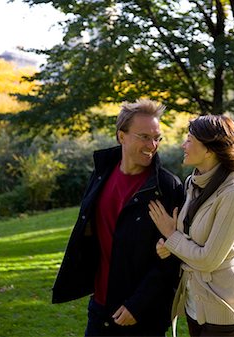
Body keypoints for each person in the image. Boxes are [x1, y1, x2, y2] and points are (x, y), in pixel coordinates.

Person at [52, 99, 185, 336]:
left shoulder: (167, 187)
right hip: (99, 308)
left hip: (143, 315)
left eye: (157, 138)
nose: (152, 145)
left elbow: (172, 257)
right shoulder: (102, 173)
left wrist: (138, 304)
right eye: (144, 136)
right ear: (121, 136)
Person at [148, 115, 234, 337]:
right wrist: (169, 244)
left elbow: (208, 259)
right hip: (194, 301)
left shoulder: (233, 193)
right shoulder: (192, 183)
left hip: (223, 304)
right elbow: (188, 238)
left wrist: (170, 235)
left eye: (189, 140)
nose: (183, 145)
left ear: (209, 150)